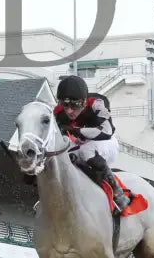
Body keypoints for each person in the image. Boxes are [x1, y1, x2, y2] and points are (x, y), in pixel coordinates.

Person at [54, 74, 130, 213]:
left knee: (86, 151)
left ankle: (117, 192)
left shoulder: (97, 103)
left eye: (75, 105)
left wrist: (76, 131)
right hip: (83, 143)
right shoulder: (58, 112)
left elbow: (107, 131)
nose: (69, 110)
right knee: (63, 157)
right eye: (65, 104)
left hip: (106, 142)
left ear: (84, 101)